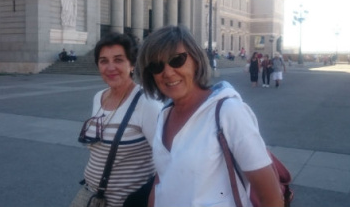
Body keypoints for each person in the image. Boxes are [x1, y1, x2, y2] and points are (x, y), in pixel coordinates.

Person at [135, 26, 283, 207]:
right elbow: (162, 179)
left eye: (177, 60)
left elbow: (271, 197)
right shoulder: (164, 115)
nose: (167, 72)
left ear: (196, 61)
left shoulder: (228, 111)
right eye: (157, 66)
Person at [70, 33, 163, 207]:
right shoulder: (99, 97)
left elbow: (167, 160)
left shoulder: (147, 103)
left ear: (132, 64)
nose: (110, 67)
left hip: (124, 202)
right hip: (90, 194)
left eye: (118, 60)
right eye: (104, 61)